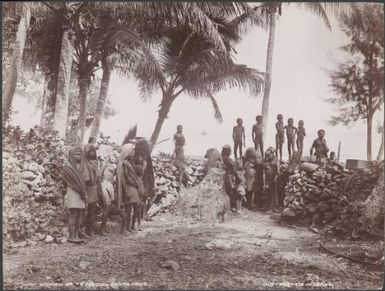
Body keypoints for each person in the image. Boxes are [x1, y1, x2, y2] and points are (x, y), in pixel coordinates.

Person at [62, 146, 87, 244]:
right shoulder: (67, 167)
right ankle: (71, 236)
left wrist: (82, 189)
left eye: (80, 154)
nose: (79, 156)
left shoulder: (80, 166)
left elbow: (83, 179)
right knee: (73, 214)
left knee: (79, 214)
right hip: (72, 191)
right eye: (76, 154)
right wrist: (78, 186)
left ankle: (76, 235)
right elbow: (66, 181)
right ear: (72, 155)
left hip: (80, 192)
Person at [116, 144, 141, 234]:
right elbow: (123, 179)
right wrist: (126, 190)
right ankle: (123, 229)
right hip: (129, 188)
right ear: (127, 152)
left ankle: (128, 227)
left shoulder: (129, 163)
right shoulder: (123, 164)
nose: (133, 153)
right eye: (131, 151)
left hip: (133, 188)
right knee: (127, 209)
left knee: (131, 209)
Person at [82, 143, 102, 237]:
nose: (92, 153)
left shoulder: (95, 162)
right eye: (90, 151)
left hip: (94, 188)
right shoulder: (84, 163)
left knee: (92, 211)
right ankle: (82, 229)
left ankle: (90, 229)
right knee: (82, 210)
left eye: (93, 151)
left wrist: (99, 189)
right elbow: (85, 178)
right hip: (87, 188)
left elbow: (98, 177)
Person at [134, 139, 156, 222]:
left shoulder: (136, 155)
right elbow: (144, 167)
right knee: (147, 197)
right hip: (144, 180)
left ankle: (141, 214)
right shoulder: (144, 155)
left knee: (142, 198)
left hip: (139, 179)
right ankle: (143, 214)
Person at [99, 154, 117, 235]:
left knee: (108, 207)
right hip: (104, 184)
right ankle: (102, 229)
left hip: (110, 185)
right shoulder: (104, 163)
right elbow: (99, 175)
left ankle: (103, 227)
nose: (113, 157)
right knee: (106, 207)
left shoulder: (113, 165)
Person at [222, 145, 237, 212]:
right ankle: (231, 207)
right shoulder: (228, 160)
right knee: (230, 192)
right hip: (229, 177)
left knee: (226, 192)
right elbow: (234, 169)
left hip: (224, 177)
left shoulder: (222, 159)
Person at [172, 126, 188, 191]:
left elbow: (176, 147)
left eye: (181, 128)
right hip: (180, 156)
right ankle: (181, 185)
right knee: (182, 171)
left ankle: (180, 186)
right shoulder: (180, 136)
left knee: (181, 171)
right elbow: (178, 146)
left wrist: (172, 154)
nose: (181, 130)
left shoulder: (178, 136)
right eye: (179, 129)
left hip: (179, 157)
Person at [264, 147, 279, 212]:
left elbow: (278, 171)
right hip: (268, 179)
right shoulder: (267, 160)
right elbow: (264, 167)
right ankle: (270, 206)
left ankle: (274, 207)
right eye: (267, 155)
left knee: (273, 193)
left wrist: (275, 178)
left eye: (269, 154)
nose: (268, 156)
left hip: (273, 178)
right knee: (268, 193)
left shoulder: (275, 160)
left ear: (272, 154)